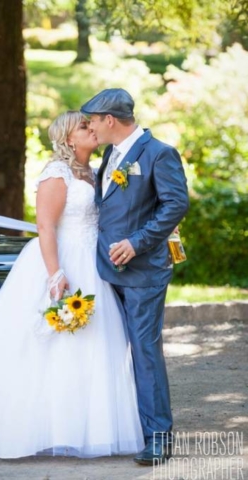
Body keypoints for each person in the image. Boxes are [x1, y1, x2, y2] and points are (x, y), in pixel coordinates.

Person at [0, 111, 144, 459]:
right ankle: (34, 428)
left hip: (93, 267)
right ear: (68, 139)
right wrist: (56, 275)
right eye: (83, 126)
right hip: (59, 261)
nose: (91, 128)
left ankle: (83, 427)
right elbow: (46, 227)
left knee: (92, 344)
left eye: (90, 123)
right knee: (47, 344)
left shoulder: (96, 173)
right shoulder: (56, 173)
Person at [80, 88, 190, 465]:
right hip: (105, 271)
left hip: (144, 272)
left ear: (110, 120)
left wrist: (138, 242)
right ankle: (123, 427)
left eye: (93, 120)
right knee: (111, 350)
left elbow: (176, 203)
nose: (91, 127)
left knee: (144, 352)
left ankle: (158, 437)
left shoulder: (158, 153)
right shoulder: (111, 154)